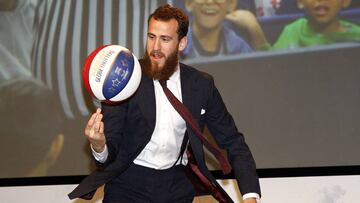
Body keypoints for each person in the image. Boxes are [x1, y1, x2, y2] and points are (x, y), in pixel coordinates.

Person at [69, 4, 261, 203]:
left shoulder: (201, 85)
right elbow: (110, 151)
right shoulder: (123, 80)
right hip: (127, 185)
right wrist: (99, 146)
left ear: (182, 43)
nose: (155, 48)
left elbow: (233, 142)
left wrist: (250, 196)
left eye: (165, 39)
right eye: (151, 37)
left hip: (177, 186)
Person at [181, 0, 269, 59]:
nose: (210, 2)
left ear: (231, 4)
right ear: (189, 3)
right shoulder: (175, 46)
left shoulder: (238, 46)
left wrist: (254, 28)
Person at [273, 0, 360, 49]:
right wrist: (260, 41)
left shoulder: (357, 35)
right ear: (300, 2)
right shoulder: (292, 32)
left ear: (345, 1)